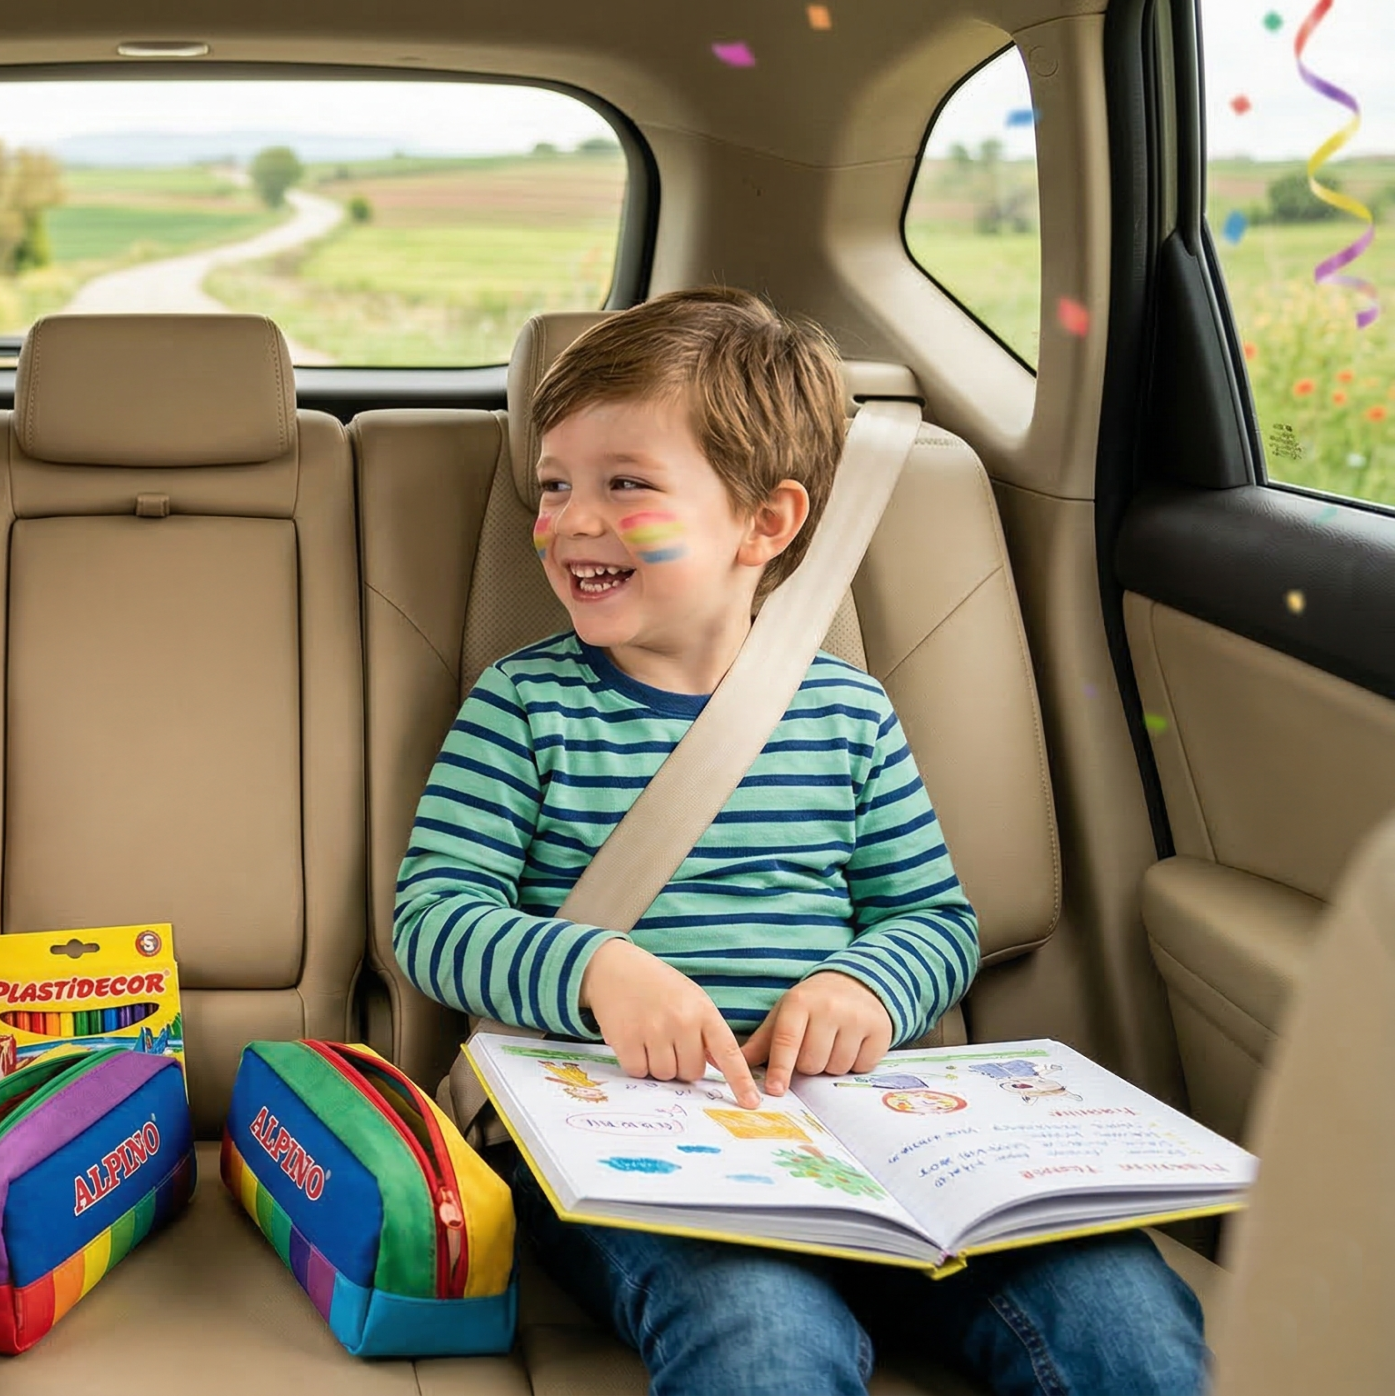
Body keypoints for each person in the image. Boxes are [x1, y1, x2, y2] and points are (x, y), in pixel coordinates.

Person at [393, 288, 1204, 1396]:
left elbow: (933, 919)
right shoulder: (523, 706)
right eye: (553, 486)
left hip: (850, 1134)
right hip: (617, 1142)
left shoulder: (845, 713)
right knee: (761, 1335)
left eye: (624, 485)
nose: (573, 520)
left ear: (765, 523)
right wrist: (598, 969)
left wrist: (865, 985)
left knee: (1120, 1298)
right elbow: (431, 919)